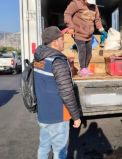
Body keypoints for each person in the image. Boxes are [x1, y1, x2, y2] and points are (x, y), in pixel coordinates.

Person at [34, 26, 81, 159]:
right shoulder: (57, 61)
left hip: (43, 115)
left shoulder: (38, 60)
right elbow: (67, 92)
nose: (64, 41)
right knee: (59, 151)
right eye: (61, 39)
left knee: (43, 146)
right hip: (57, 116)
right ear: (55, 42)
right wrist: (76, 116)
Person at [64, 0, 108, 77]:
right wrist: (71, 27)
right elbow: (67, 14)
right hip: (78, 33)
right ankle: (82, 69)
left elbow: (97, 20)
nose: (90, 3)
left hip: (89, 35)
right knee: (82, 50)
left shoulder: (94, 7)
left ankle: (86, 68)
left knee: (89, 52)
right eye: (89, 1)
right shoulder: (76, 3)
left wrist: (102, 30)